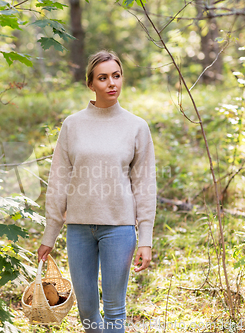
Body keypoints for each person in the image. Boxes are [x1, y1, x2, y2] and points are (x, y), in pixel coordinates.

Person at [37, 50, 156, 333]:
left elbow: (144, 185)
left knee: (115, 308)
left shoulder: (137, 127)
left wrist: (146, 239)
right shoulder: (73, 124)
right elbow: (58, 180)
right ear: (91, 84)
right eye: (103, 78)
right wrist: (50, 233)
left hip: (119, 228)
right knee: (87, 308)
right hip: (78, 228)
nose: (111, 83)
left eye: (116, 76)